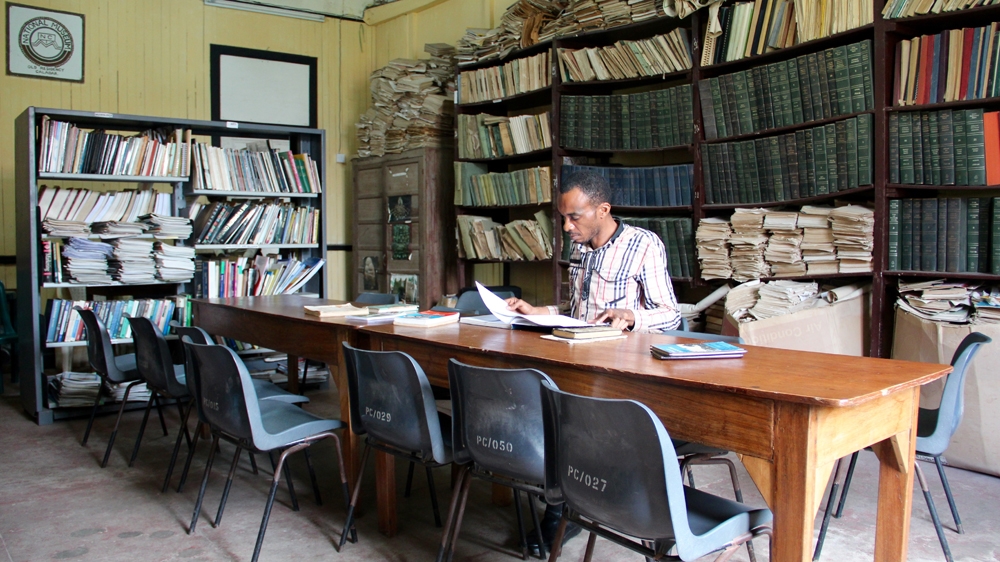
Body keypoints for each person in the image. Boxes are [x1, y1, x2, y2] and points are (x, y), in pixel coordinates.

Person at [504, 170, 681, 553]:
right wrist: (537, 310)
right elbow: (576, 311)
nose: (567, 227)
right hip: (581, 364)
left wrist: (634, 316)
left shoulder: (644, 245)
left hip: (625, 373)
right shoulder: (580, 249)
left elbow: (671, 314)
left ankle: (561, 514)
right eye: (563, 217)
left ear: (603, 210)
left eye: (575, 217)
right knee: (542, 407)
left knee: (569, 424)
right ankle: (565, 503)